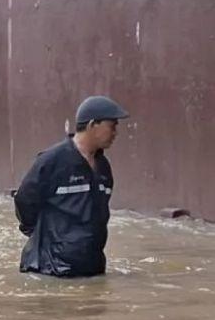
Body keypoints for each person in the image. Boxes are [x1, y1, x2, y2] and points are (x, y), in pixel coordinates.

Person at [12, 95, 129, 277]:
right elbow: (24, 201)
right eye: (111, 126)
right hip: (52, 271)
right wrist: (44, 238)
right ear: (92, 125)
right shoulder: (52, 161)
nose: (115, 133)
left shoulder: (103, 167)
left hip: (92, 268)